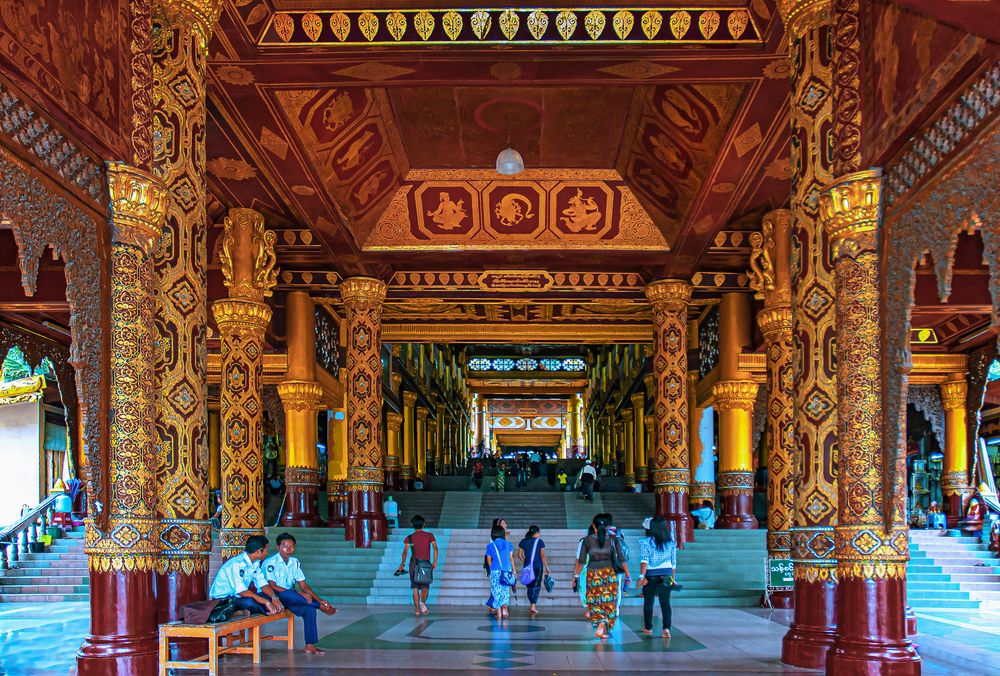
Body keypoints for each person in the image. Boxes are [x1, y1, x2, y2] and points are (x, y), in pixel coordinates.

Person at [263, 533, 337, 655]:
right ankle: (321, 608)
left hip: (292, 599)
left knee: (309, 611)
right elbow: (272, 586)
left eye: (291, 546)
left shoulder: (294, 562)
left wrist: (319, 599)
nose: (289, 549)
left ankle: (310, 645)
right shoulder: (270, 563)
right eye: (285, 546)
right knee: (290, 594)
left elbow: (303, 584)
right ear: (278, 547)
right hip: (276, 597)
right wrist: (299, 593)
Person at [574, 515, 630, 639]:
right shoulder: (613, 539)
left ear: (593, 526)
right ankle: (602, 627)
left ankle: (601, 627)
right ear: (607, 527)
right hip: (610, 574)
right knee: (609, 601)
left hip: (592, 575)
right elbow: (622, 558)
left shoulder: (586, 540)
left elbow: (581, 561)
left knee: (595, 601)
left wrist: (576, 576)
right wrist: (628, 575)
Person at [209, 535, 284, 616]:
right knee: (250, 602)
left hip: (238, 598)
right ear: (259, 551)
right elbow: (242, 592)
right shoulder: (236, 564)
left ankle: (268, 609)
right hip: (224, 600)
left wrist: (274, 598)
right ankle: (266, 610)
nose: (267, 553)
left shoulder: (255, 563)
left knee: (274, 594)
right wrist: (266, 602)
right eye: (266, 550)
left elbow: (263, 584)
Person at [637, 516, 677, 638]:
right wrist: (673, 578)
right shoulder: (671, 543)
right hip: (666, 574)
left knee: (649, 601)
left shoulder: (645, 542)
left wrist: (641, 577)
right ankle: (666, 629)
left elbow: (644, 561)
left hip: (650, 575)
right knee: (665, 603)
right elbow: (673, 563)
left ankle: (648, 627)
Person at [396, 514, 439, 616]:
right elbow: (435, 548)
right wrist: (435, 562)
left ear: (412, 525)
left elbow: (405, 552)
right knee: (425, 586)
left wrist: (402, 564)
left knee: (415, 587)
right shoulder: (430, 535)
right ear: (423, 524)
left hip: (414, 564)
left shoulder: (409, 538)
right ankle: (422, 603)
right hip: (426, 564)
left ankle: (417, 610)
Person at [517, 526, 551, 615]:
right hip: (538, 567)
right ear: (536, 533)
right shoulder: (539, 542)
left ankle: (531, 603)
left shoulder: (523, 541)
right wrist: (547, 568)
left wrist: (526, 562)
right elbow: (543, 556)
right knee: (536, 586)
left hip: (527, 567)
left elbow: (519, 555)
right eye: (539, 532)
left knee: (529, 586)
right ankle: (533, 605)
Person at [485, 523, 516, 619]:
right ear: (503, 534)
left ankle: (498, 612)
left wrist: (491, 569)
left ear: (493, 534)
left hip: (495, 570)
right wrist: (514, 570)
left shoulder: (490, 546)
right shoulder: (509, 544)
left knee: (496, 591)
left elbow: (488, 559)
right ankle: (505, 611)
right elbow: (511, 558)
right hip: (507, 570)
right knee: (505, 590)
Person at [484, 517, 507, 611]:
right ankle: (496, 604)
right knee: (498, 584)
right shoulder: (494, 538)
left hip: (498, 565)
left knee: (498, 584)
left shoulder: (501, 537)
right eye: (504, 523)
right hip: (495, 565)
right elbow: (492, 554)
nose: (506, 525)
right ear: (498, 525)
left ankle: (493, 604)